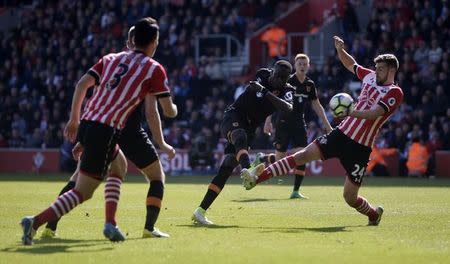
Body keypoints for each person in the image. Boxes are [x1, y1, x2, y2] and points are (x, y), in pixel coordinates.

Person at [20, 17, 177, 245]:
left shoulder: (111, 58)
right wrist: (173, 109)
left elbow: (82, 84)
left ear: (132, 39)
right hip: (106, 129)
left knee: (119, 166)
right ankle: (34, 221)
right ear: (154, 42)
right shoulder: (154, 69)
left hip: (88, 122)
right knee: (83, 191)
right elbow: (165, 111)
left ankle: (110, 224)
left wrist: (74, 121)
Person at [242, 36, 404, 226]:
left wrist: (351, 111)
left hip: (361, 148)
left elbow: (376, 113)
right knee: (302, 156)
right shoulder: (369, 76)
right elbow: (352, 64)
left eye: (381, 69)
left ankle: (373, 214)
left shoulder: (395, 92)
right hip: (341, 134)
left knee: (350, 198)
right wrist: (340, 51)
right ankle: (255, 179)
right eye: (376, 67)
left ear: (392, 70)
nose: (376, 71)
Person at [192, 60, 295, 225]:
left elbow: (288, 109)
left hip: (250, 127)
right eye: (276, 75)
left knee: (225, 170)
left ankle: (200, 211)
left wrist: (265, 92)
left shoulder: (288, 91)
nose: (278, 80)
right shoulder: (263, 74)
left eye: (282, 79)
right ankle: (249, 168)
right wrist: (265, 90)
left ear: (287, 79)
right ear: (272, 71)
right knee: (239, 136)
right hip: (233, 115)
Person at [254, 53, 332, 199]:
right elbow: (272, 100)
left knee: (302, 156)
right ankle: (263, 158)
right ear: (295, 66)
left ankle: (296, 191)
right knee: (279, 162)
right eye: (299, 64)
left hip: (299, 124)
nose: (302, 66)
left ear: (308, 66)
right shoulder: (287, 81)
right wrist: (268, 120)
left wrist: (327, 124)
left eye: (304, 64)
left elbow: (317, 104)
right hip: (283, 123)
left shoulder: (310, 85)